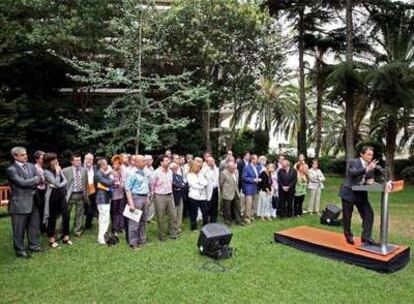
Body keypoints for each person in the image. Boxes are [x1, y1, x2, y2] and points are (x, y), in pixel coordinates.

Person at [6, 147, 43, 258]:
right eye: (22, 155)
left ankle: (34, 246)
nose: (25, 156)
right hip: (19, 204)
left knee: (34, 226)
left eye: (26, 154)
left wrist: (33, 181)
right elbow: (21, 183)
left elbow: (40, 179)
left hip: (34, 201)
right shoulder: (11, 169)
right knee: (19, 229)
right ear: (15, 156)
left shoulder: (31, 166)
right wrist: (34, 180)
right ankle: (20, 250)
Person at [339, 146, 379, 245]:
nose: (371, 157)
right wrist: (366, 168)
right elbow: (353, 173)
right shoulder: (354, 162)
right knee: (347, 216)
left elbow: (369, 178)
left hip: (361, 194)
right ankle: (348, 236)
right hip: (349, 192)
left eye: (372, 155)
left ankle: (366, 237)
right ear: (362, 154)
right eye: (369, 154)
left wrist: (371, 181)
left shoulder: (371, 165)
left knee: (369, 214)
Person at [43, 153, 72, 248]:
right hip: (52, 196)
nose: (56, 160)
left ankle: (66, 236)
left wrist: (57, 183)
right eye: (54, 159)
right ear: (49, 161)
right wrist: (58, 174)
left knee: (66, 215)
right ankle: (51, 239)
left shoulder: (58, 168)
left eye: (56, 158)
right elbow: (57, 182)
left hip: (61, 195)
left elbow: (65, 182)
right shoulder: (46, 171)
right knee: (52, 217)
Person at [150, 155, 179, 241]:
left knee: (173, 215)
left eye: (168, 160)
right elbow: (151, 185)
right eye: (166, 161)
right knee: (160, 216)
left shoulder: (170, 172)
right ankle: (162, 235)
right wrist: (152, 196)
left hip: (170, 195)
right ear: (161, 162)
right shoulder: (156, 173)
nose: (168, 162)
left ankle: (174, 233)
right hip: (159, 196)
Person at [125, 155, 150, 249]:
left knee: (143, 220)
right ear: (137, 162)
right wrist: (131, 203)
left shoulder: (145, 171)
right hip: (136, 198)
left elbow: (146, 185)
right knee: (134, 221)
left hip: (144, 197)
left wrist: (147, 198)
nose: (145, 162)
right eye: (143, 161)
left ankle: (142, 240)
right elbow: (127, 189)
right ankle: (133, 243)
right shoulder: (132, 173)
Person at [63, 154, 89, 237]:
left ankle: (78, 231)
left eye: (80, 160)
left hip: (80, 194)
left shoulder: (84, 171)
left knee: (80, 214)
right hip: (69, 195)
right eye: (76, 160)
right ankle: (62, 231)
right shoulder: (65, 171)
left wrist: (86, 194)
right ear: (72, 161)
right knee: (65, 214)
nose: (79, 162)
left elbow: (86, 183)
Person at [94, 159, 114, 245]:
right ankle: (102, 238)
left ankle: (101, 237)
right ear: (103, 165)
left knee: (103, 219)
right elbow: (108, 183)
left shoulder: (101, 173)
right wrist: (112, 177)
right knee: (104, 219)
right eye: (106, 164)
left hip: (104, 199)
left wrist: (109, 175)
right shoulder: (98, 174)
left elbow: (107, 179)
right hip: (102, 199)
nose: (108, 166)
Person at [187, 161, 209, 231]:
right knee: (194, 212)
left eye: (199, 167)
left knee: (205, 211)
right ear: (193, 167)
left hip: (203, 197)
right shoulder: (189, 175)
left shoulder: (201, 174)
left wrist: (200, 183)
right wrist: (201, 185)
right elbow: (193, 184)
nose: (198, 168)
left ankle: (206, 225)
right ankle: (193, 227)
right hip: (193, 197)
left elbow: (206, 182)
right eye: (197, 167)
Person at [219, 160, 242, 226]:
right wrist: (224, 191)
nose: (233, 169)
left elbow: (237, 182)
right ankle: (228, 221)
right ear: (228, 167)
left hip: (236, 192)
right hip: (227, 193)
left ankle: (238, 220)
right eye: (232, 168)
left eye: (234, 168)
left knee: (237, 207)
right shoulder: (224, 173)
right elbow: (221, 183)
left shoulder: (237, 172)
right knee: (227, 208)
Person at [241, 154, 260, 224]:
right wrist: (253, 180)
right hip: (248, 188)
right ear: (252, 160)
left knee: (253, 203)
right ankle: (247, 217)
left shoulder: (257, 167)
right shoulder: (247, 168)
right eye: (256, 159)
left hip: (255, 188)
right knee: (248, 204)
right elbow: (244, 178)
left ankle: (251, 215)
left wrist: (258, 179)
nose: (257, 160)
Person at [110, 155, 125, 235]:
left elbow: (125, 181)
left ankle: (121, 227)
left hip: (122, 194)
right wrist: (115, 184)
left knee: (121, 211)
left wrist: (122, 183)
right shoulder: (110, 172)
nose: (116, 165)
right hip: (114, 195)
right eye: (115, 163)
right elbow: (109, 184)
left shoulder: (123, 171)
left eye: (118, 163)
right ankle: (114, 228)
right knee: (114, 212)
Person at [203, 156, 219, 223]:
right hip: (208, 190)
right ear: (207, 162)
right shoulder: (204, 170)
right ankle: (206, 221)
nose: (212, 162)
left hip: (216, 189)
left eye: (213, 160)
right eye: (210, 161)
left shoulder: (216, 169)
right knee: (208, 206)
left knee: (215, 206)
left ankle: (213, 220)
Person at [34, 150, 46, 234]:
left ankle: (44, 226)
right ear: (37, 159)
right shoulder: (35, 168)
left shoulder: (45, 167)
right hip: (39, 191)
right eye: (42, 158)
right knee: (40, 210)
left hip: (46, 190)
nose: (44, 159)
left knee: (46, 209)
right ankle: (41, 228)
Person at [171, 163, 186, 231]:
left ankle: (178, 226)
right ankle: (173, 227)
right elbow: (175, 185)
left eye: (176, 168)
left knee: (180, 211)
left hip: (180, 196)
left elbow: (183, 184)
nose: (175, 170)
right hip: (174, 196)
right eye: (173, 168)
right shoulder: (170, 177)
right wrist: (180, 185)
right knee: (174, 212)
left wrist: (179, 186)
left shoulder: (179, 176)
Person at [84, 153, 97, 230]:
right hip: (84, 191)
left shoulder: (95, 168)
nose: (89, 160)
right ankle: (78, 224)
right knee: (82, 208)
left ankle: (88, 224)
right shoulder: (81, 168)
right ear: (84, 159)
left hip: (93, 190)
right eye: (88, 159)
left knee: (91, 208)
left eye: (91, 159)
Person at [143, 155, 155, 222]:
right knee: (146, 205)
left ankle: (149, 218)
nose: (152, 161)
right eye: (150, 159)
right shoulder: (144, 169)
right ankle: (145, 219)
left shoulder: (152, 168)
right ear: (146, 161)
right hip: (146, 190)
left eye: (151, 159)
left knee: (151, 205)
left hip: (152, 189)